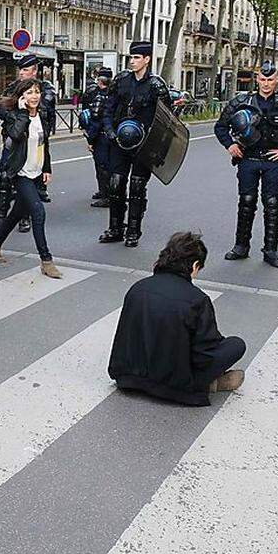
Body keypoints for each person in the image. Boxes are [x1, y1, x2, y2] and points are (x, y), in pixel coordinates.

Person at [108, 232, 246, 406]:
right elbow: (204, 357)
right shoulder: (197, 299)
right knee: (236, 344)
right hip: (175, 386)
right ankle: (212, 383)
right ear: (195, 266)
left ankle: (210, 383)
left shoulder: (138, 288)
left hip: (128, 378)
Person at [213, 61, 278, 267]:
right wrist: (230, 145)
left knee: (272, 204)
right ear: (256, 79)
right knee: (246, 202)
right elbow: (220, 127)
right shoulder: (242, 101)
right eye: (262, 79)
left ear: (276, 80)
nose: (266, 83)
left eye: (270, 79)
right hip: (248, 159)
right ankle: (241, 246)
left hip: (272, 161)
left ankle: (271, 250)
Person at [0, 78, 62, 279]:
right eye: (29, 93)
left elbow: (44, 143)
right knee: (38, 212)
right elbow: (16, 135)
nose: (34, 96)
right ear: (21, 97)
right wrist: (22, 113)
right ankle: (46, 261)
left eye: (36, 92)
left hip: (36, 172)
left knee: (17, 212)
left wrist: (47, 168)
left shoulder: (43, 114)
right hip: (20, 172)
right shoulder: (14, 116)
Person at [100, 41, 173, 247]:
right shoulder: (121, 80)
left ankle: (133, 231)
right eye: (131, 58)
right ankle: (115, 228)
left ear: (147, 59)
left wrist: (158, 148)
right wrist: (110, 131)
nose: (132, 61)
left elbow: (167, 120)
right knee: (115, 183)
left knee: (137, 187)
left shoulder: (156, 85)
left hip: (144, 144)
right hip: (120, 142)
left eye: (137, 58)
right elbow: (108, 108)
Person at [0, 54, 58, 233]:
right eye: (20, 69)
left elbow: (46, 112)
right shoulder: (12, 87)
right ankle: (0, 218)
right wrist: (15, 115)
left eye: (25, 70)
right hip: (13, 140)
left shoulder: (44, 89)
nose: (21, 73)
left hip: (35, 141)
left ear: (34, 71)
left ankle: (24, 217)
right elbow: (1, 110)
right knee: (5, 178)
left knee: (29, 180)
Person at [81, 66, 114, 208]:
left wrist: (90, 140)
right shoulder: (115, 95)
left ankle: (107, 195)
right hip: (113, 135)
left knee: (102, 166)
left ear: (100, 81)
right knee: (112, 165)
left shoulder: (100, 97)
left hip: (101, 136)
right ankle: (109, 192)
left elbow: (95, 120)